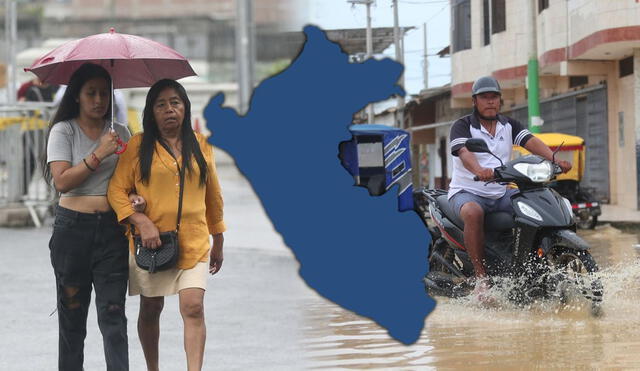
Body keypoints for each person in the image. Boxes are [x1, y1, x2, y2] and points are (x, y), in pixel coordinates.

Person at [108, 79, 226, 371]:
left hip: (194, 241)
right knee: (151, 308)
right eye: (161, 104)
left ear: (185, 107)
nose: (169, 110)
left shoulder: (201, 145)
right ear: (151, 112)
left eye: (175, 102)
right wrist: (140, 221)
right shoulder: (138, 145)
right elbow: (116, 190)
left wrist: (219, 240)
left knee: (193, 307)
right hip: (152, 244)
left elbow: (213, 196)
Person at [45, 62, 140, 370]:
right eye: (91, 93)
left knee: (113, 316)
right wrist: (99, 152)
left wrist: (137, 198)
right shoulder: (64, 130)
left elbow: (131, 183)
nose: (99, 100)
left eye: (104, 93)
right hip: (73, 232)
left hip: (113, 233)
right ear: (77, 96)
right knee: (72, 320)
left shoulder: (121, 134)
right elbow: (62, 181)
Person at [447, 76, 572, 300]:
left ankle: (529, 268)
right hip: (468, 191)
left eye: (494, 97)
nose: (490, 102)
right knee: (473, 212)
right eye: (484, 98)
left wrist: (554, 160)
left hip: (501, 190)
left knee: (535, 203)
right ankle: (481, 279)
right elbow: (464, 152)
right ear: (475, 101)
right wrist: (478, 170)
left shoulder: (509, 125)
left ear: (500, 100)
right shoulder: (462, 126)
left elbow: (530, 141)